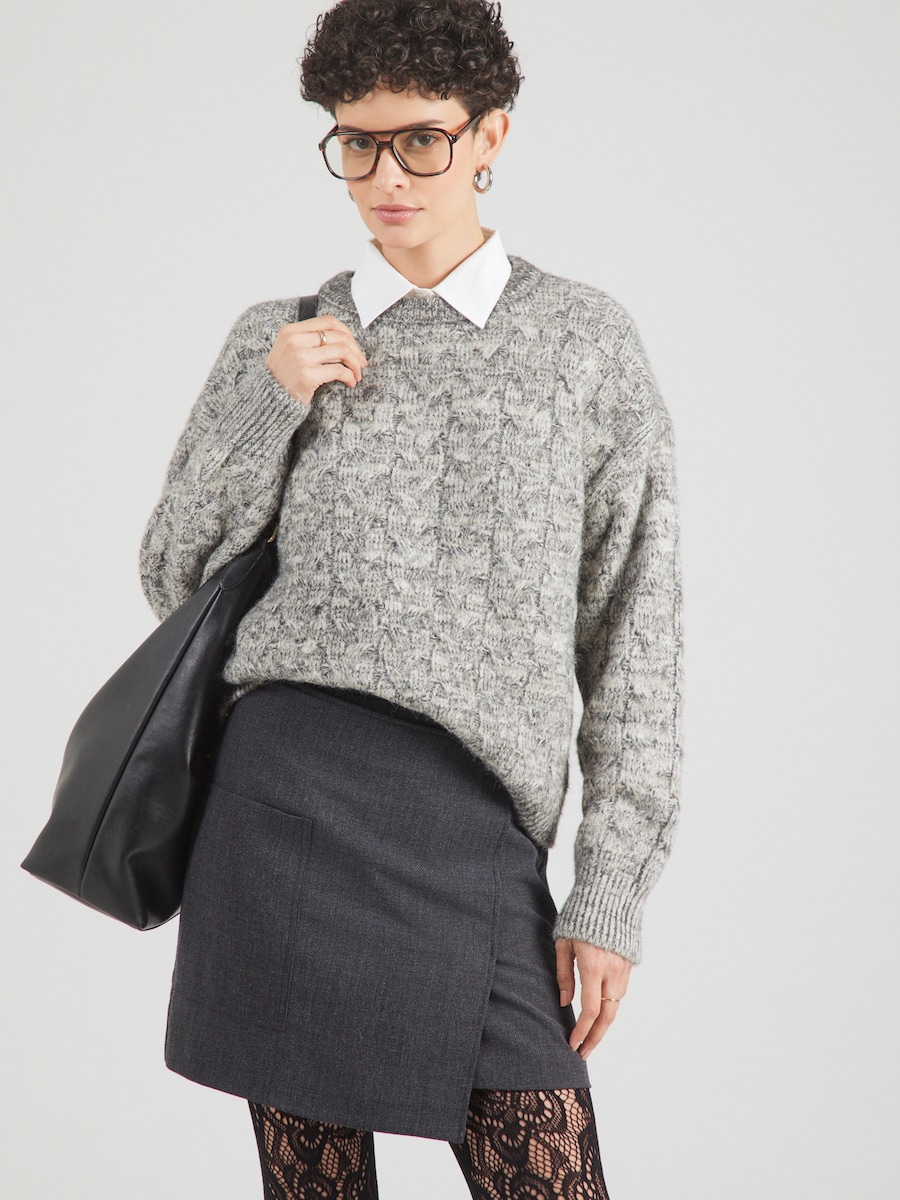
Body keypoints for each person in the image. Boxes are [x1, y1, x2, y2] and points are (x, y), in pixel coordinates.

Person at [139, 0, 684, 1195]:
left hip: (471, 825)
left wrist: (609, 893)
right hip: (280, 802)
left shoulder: (584, 343)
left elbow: (635, 635)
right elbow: (172, 576)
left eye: (422, 140)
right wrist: (271, 406)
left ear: (490, 136)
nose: (386, 176)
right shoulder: (280, 337)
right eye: (357, 141)